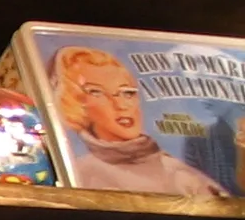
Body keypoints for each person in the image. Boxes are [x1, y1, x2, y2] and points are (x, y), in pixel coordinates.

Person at [50, 44, 240, 195]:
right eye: (97, 92)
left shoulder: (182, 173)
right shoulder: (80, 172)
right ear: (75, 102)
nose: (121, 104)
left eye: (127, 92)